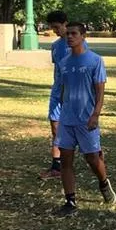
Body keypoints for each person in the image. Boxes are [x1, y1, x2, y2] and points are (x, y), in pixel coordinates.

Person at [53, 22, 116, 216]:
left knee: (92, 158)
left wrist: (95, 114)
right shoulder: (63, 63)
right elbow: (61, 90)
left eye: (74, 34)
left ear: (83, 36)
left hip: (87, 119)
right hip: (67, 120)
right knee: (65, 160)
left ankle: (104, 183)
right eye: (68, 34)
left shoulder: (94, 61)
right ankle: (70, 201)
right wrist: (58, 113)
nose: (69, 37)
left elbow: (100, 91)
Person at [40, 10, 71, 180]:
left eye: (57, 27)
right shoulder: (56, 46)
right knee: (55, 128)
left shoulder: (77, 44)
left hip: (73, 96)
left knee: (78, 130)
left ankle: (95, 159)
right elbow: (57, 70)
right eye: (52, 28)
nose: (55, 31)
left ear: (65, 23)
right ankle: (56, 166)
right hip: (57, 92)